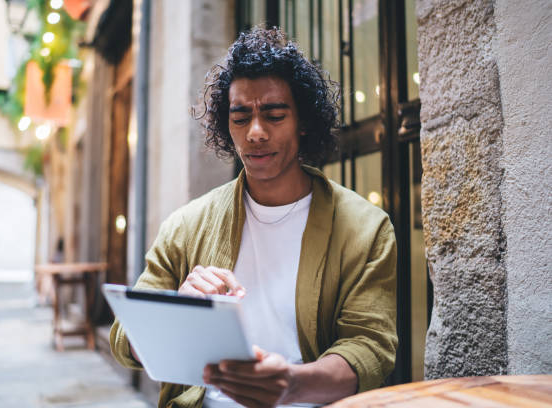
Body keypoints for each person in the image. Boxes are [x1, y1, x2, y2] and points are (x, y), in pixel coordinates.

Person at [110, 26, 397, 408]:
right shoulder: (186, 226)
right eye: (241, 118)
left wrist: (292, 385)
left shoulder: (365, 229)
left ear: (303, 121)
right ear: (226, 127)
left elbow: (370, 348)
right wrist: (175, 309)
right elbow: (123, 339)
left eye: (275, 115)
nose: (256, 133)